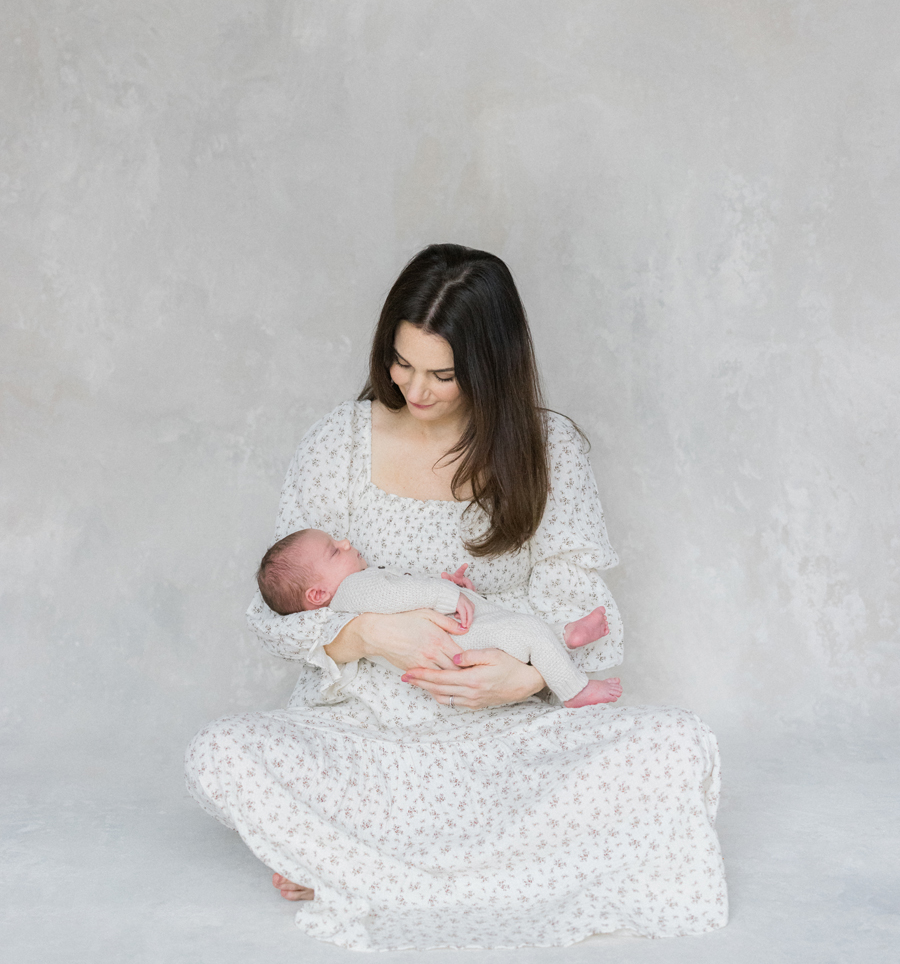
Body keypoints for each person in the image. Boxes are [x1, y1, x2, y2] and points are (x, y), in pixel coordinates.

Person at [185, 244, 727, 950]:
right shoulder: (337, 444)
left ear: (490, 366)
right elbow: (279, 613)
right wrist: (371, 637)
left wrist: (526, 677)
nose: (416, 389)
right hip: (366, 736)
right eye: (401, 363)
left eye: (443, 373)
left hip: (502, 742)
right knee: (218, 754)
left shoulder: (547, 448)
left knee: (676, 746)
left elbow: (579, 606)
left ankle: (348, 860)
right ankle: (397, 853)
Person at [255, 527, 624, 707]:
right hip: (456, 641)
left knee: (513, 630)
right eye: (334, 551)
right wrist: (447, 593)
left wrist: (459, 590)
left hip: (459, 630)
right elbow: (402, 594)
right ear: (318, 595)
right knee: (520, 632)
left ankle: (562, 634)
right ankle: (574, 689)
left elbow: (405, 595)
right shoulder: (352, 590)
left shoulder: (356, 587)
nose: (346, 544)